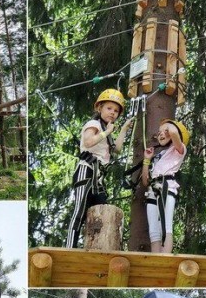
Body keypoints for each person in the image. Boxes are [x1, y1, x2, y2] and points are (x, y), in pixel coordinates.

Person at [66, 89, 134, 248]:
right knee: (80, 211)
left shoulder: (107, 131)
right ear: (99, 108)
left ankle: (97, 246)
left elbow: (116, 149)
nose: (113, 113)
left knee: (102, 212)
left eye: (116, 111)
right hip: (86, 170)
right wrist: (107, 132)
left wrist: (123, 129)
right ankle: (70, 247)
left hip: (99, 177)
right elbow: (89, 142)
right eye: (109, 108)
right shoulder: (94, 124)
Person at [141, 119, 189, 253]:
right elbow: (145, 181)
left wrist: (168, 125)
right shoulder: (159, 156)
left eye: (165, 131)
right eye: (159, 132)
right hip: (152, 190)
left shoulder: (180, 150)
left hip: (166, 189)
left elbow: (174, 132)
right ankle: (156, 259)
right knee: (154, 230)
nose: (161, 134)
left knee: (166, 225)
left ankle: (165, 257)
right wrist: (147, 160)